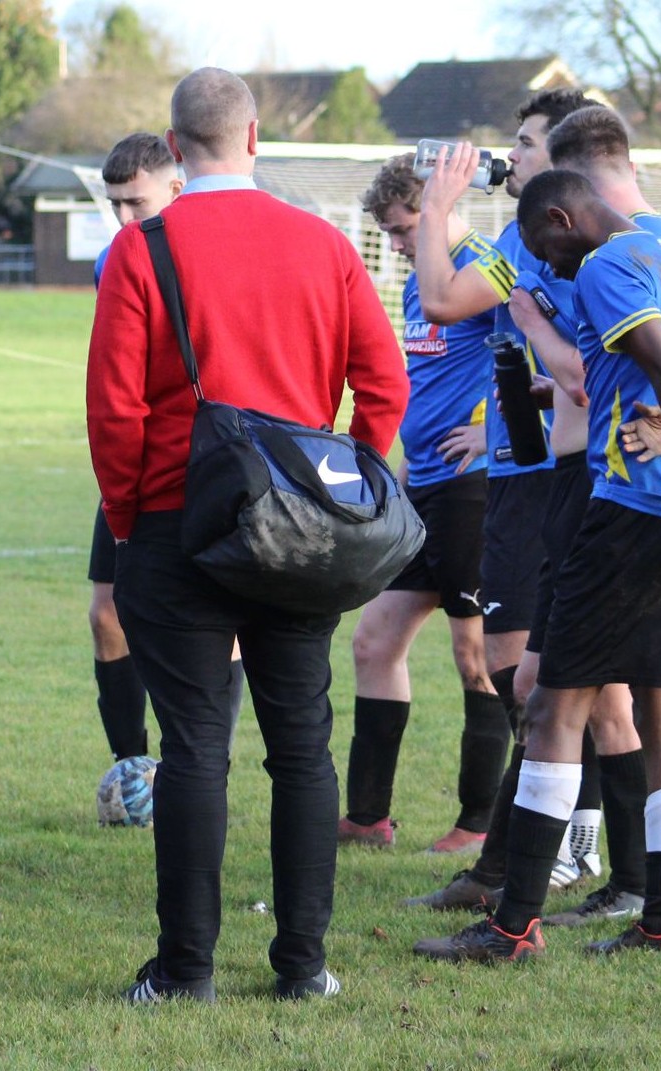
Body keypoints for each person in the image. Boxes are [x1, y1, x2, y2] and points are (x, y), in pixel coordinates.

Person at [86, 69, 408, 1002]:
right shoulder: (325, 244)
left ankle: (186, 971)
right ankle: (303, 965)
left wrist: (128, 518)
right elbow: (383, 382)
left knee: (192, 746)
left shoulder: (144, 248)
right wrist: (345, 479)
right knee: (302, 745)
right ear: (256, 137)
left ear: (175, 147)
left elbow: (114, 410)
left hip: (173, 521)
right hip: (299, 531)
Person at [414, 169, 661, 963]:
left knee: (553, 709)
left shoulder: (602, 265)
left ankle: (512, 925)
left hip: (633, 513)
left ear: (565, 217)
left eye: (541, 246)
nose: (549, 266)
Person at [401, 87, 611, 913]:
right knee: (545, 677)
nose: (510, 156)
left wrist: (438, 206)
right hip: (524, 475)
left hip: (555, 483)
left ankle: (534, 857)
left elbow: (444, 297)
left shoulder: (581, 251)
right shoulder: (523, 252)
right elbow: (458, 301)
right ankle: (576, 849)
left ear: (562, 158)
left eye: (524, 144)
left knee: (531, 675)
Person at [339, 155, 501, 854]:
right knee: (374, 641)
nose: (399, 244)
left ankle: (479, 822)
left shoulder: (490, 268)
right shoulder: (419, 283)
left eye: (404, 229)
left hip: (476, 488)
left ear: (435, 207)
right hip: (425, 483)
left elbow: (555, 359)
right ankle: (367, 817)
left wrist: (494, 427)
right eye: (394, 234)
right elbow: (428, 377)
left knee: (478, 653)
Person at [84, 133, 205, 831]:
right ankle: (133, 769)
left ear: (176, 190)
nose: (126, 219)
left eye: (138, 202)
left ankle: (195, 765)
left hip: (214, 468)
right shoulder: (113, 260)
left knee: (222, 628)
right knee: (108, 612)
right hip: (134, 466)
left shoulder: (202, 253)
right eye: (116, 204)